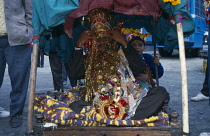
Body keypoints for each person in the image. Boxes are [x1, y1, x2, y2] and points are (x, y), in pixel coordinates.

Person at [70, 8, 169, 120]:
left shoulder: (122, 54)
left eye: (105, 39)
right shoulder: (89, 59)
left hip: (131, 104)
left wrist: (124, 42)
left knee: (160, 92)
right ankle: (117, 120)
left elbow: (140, 68)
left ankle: (121, 119)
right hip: (98, 107)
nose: (102, 43)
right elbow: (74, 74)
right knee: (75, 105)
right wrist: (78, 45)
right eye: (98, 40)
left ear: (112, 39)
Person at [0, 0, 33, 128]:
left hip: (18, 37)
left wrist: (28, 30)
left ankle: (16, 113)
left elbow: (30, 9)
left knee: (19, 78)